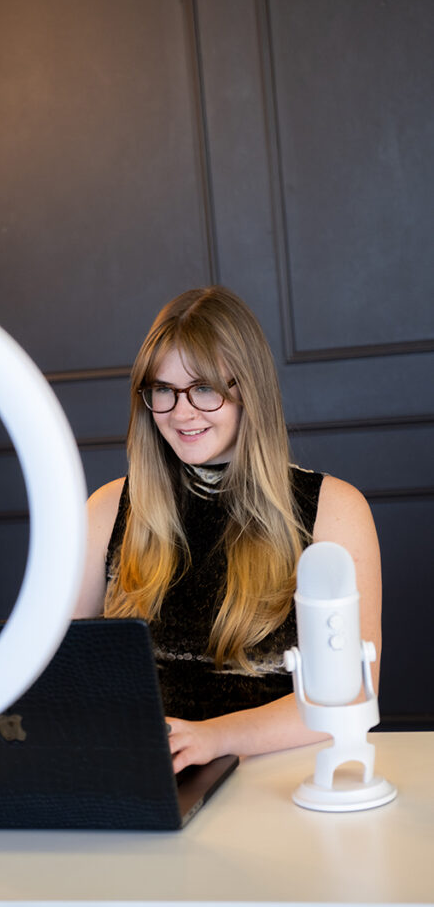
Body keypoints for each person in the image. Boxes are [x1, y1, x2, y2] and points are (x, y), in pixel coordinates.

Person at [72, 285, 382, 772]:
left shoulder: (335, 510)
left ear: (248, 391)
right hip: (148, 776)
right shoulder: (107, 507)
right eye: (163, 391)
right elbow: (63, 672)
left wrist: (213, 738)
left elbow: (348, 695)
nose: (181, 412)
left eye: (205, 388)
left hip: (282, 781)